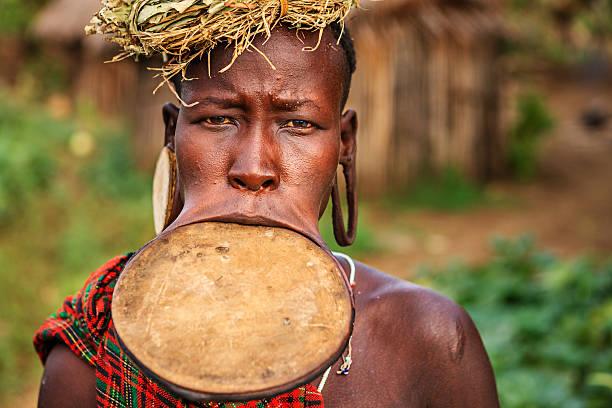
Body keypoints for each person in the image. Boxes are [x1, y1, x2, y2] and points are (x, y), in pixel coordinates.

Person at [34, 3, 499, 407]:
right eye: (218, 118)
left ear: (345, 144)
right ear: (172, 134)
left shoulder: (427, 341)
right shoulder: (92, 350)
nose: (254, 168)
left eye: (297, 124)